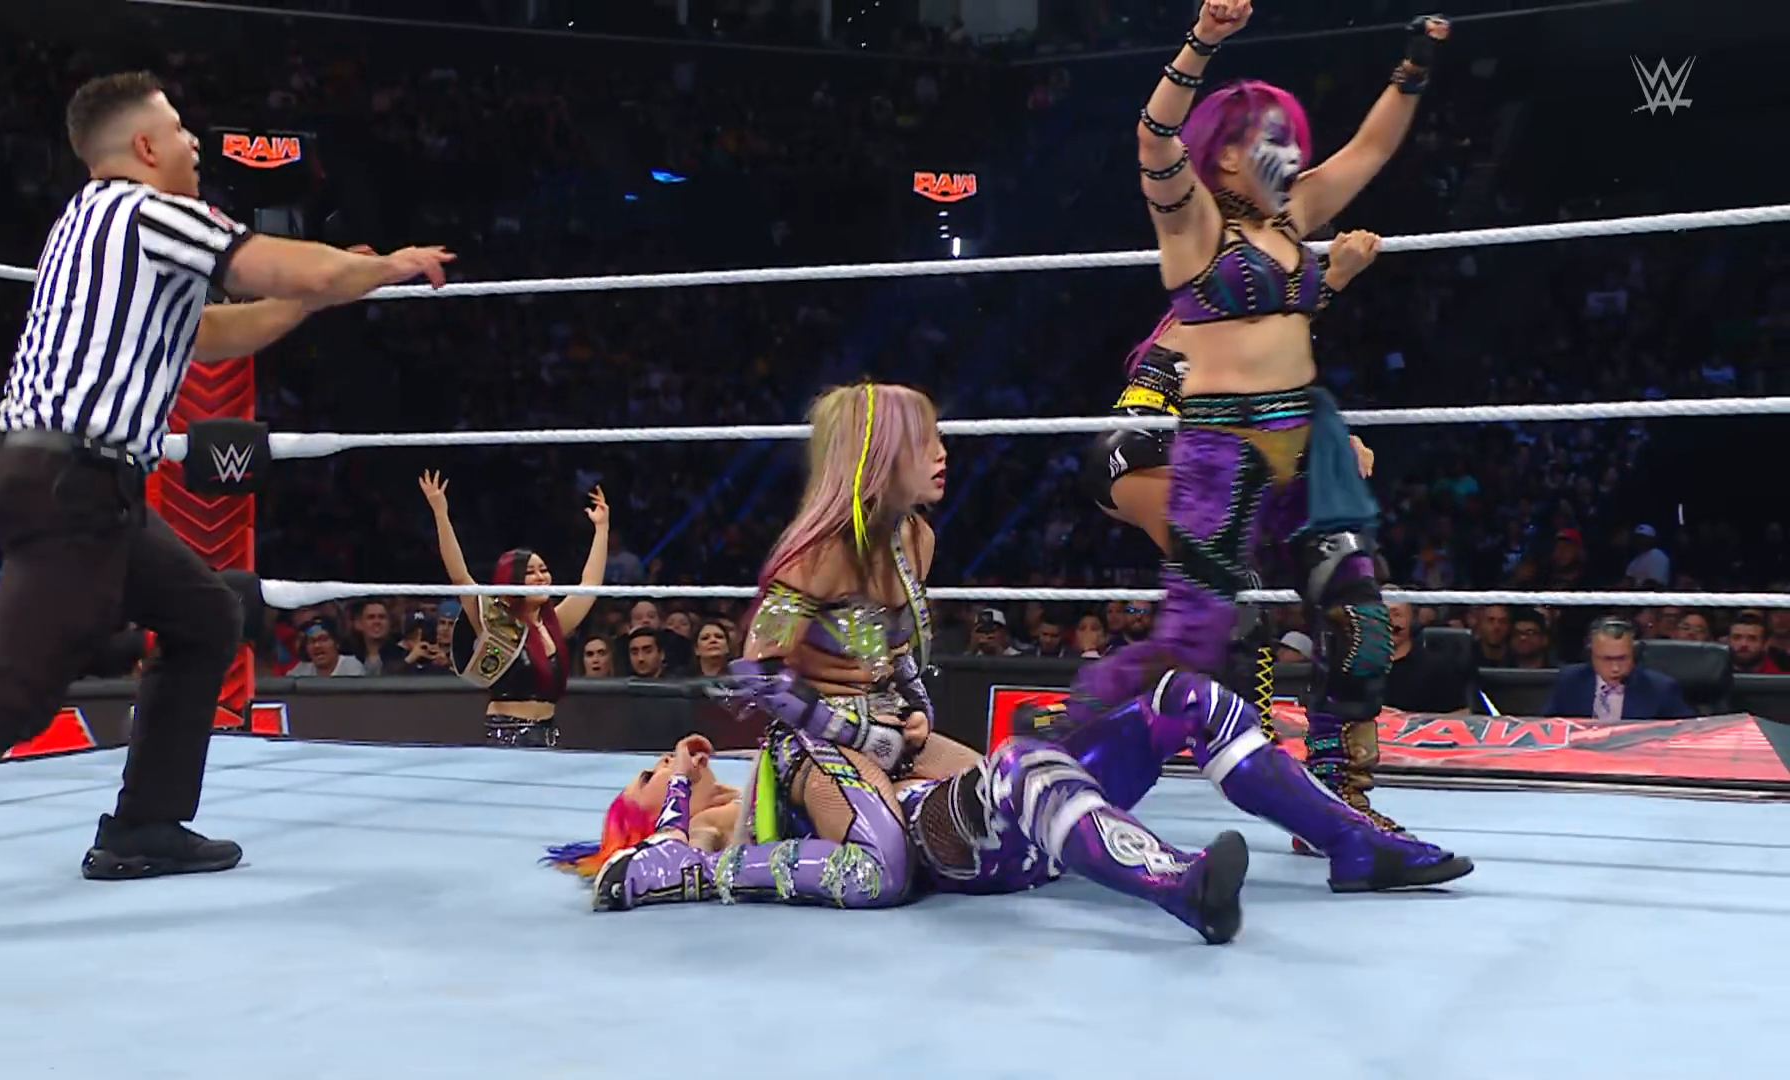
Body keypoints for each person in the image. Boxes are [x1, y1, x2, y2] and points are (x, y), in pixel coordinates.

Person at [0, 70, 453, 873]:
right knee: (9, 696)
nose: (193, 144)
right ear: (145, 146)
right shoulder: (153, 213)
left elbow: (210, 336)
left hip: (75, 482)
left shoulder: (88, 221)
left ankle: (145, 824)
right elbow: (291, 268)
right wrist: (388, 265)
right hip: (72, 483)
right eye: (179, 129)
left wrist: (319, 295)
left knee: (205, 615)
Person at [559, 383, 1251, 944]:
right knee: (880, 869)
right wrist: (862, 733)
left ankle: (1175, 875)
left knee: (1017, 791)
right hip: (812, 741)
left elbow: (892, 652)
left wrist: (913, 710)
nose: (943, 454)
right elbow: (756, 675)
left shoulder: (916, 538)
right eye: (926, 443)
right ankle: (686, 871)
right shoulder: (818, 552)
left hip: (889, 730)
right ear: (882, 455)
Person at [1041, 0, 1471, 891]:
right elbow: (1154, 135)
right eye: (1271, 136)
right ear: (1228, 153)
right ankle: (1063, 765)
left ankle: (1345, 811)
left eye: (1292, 136)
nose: (1291, 150)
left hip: (1294, 439)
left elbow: (1372, 149)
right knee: (1199, 646)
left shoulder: (1296, 217)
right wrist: (1203, 41)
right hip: (1202, 444)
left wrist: (1416, 61)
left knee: (1359, 618)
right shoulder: (1192, 224)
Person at [1079, 229, 1384, 742]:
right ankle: (1245, 740)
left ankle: (1325, 740)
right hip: (1144, 448)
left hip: (1199, 453)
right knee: (1240, 592)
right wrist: (1337, 274)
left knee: (1328, 572)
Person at [419, 471, 609, 747]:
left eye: (544, 570)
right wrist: (440, 513)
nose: (541, 577)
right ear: (512, 580)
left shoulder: (553, 623)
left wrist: (602, 528)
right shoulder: (494, 622)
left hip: (548, 733)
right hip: (507, 734)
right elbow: (460, 577)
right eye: (530, 572)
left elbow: (590, 584)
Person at [1542, 617, 1692, 720]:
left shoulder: (1660, 688)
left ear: (1634, 654)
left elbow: (1686, 733)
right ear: (1591, 655)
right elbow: (1549, 728)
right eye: (1606, 659)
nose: (1615, 668)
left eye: (1622, 658)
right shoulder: (1571, 681)